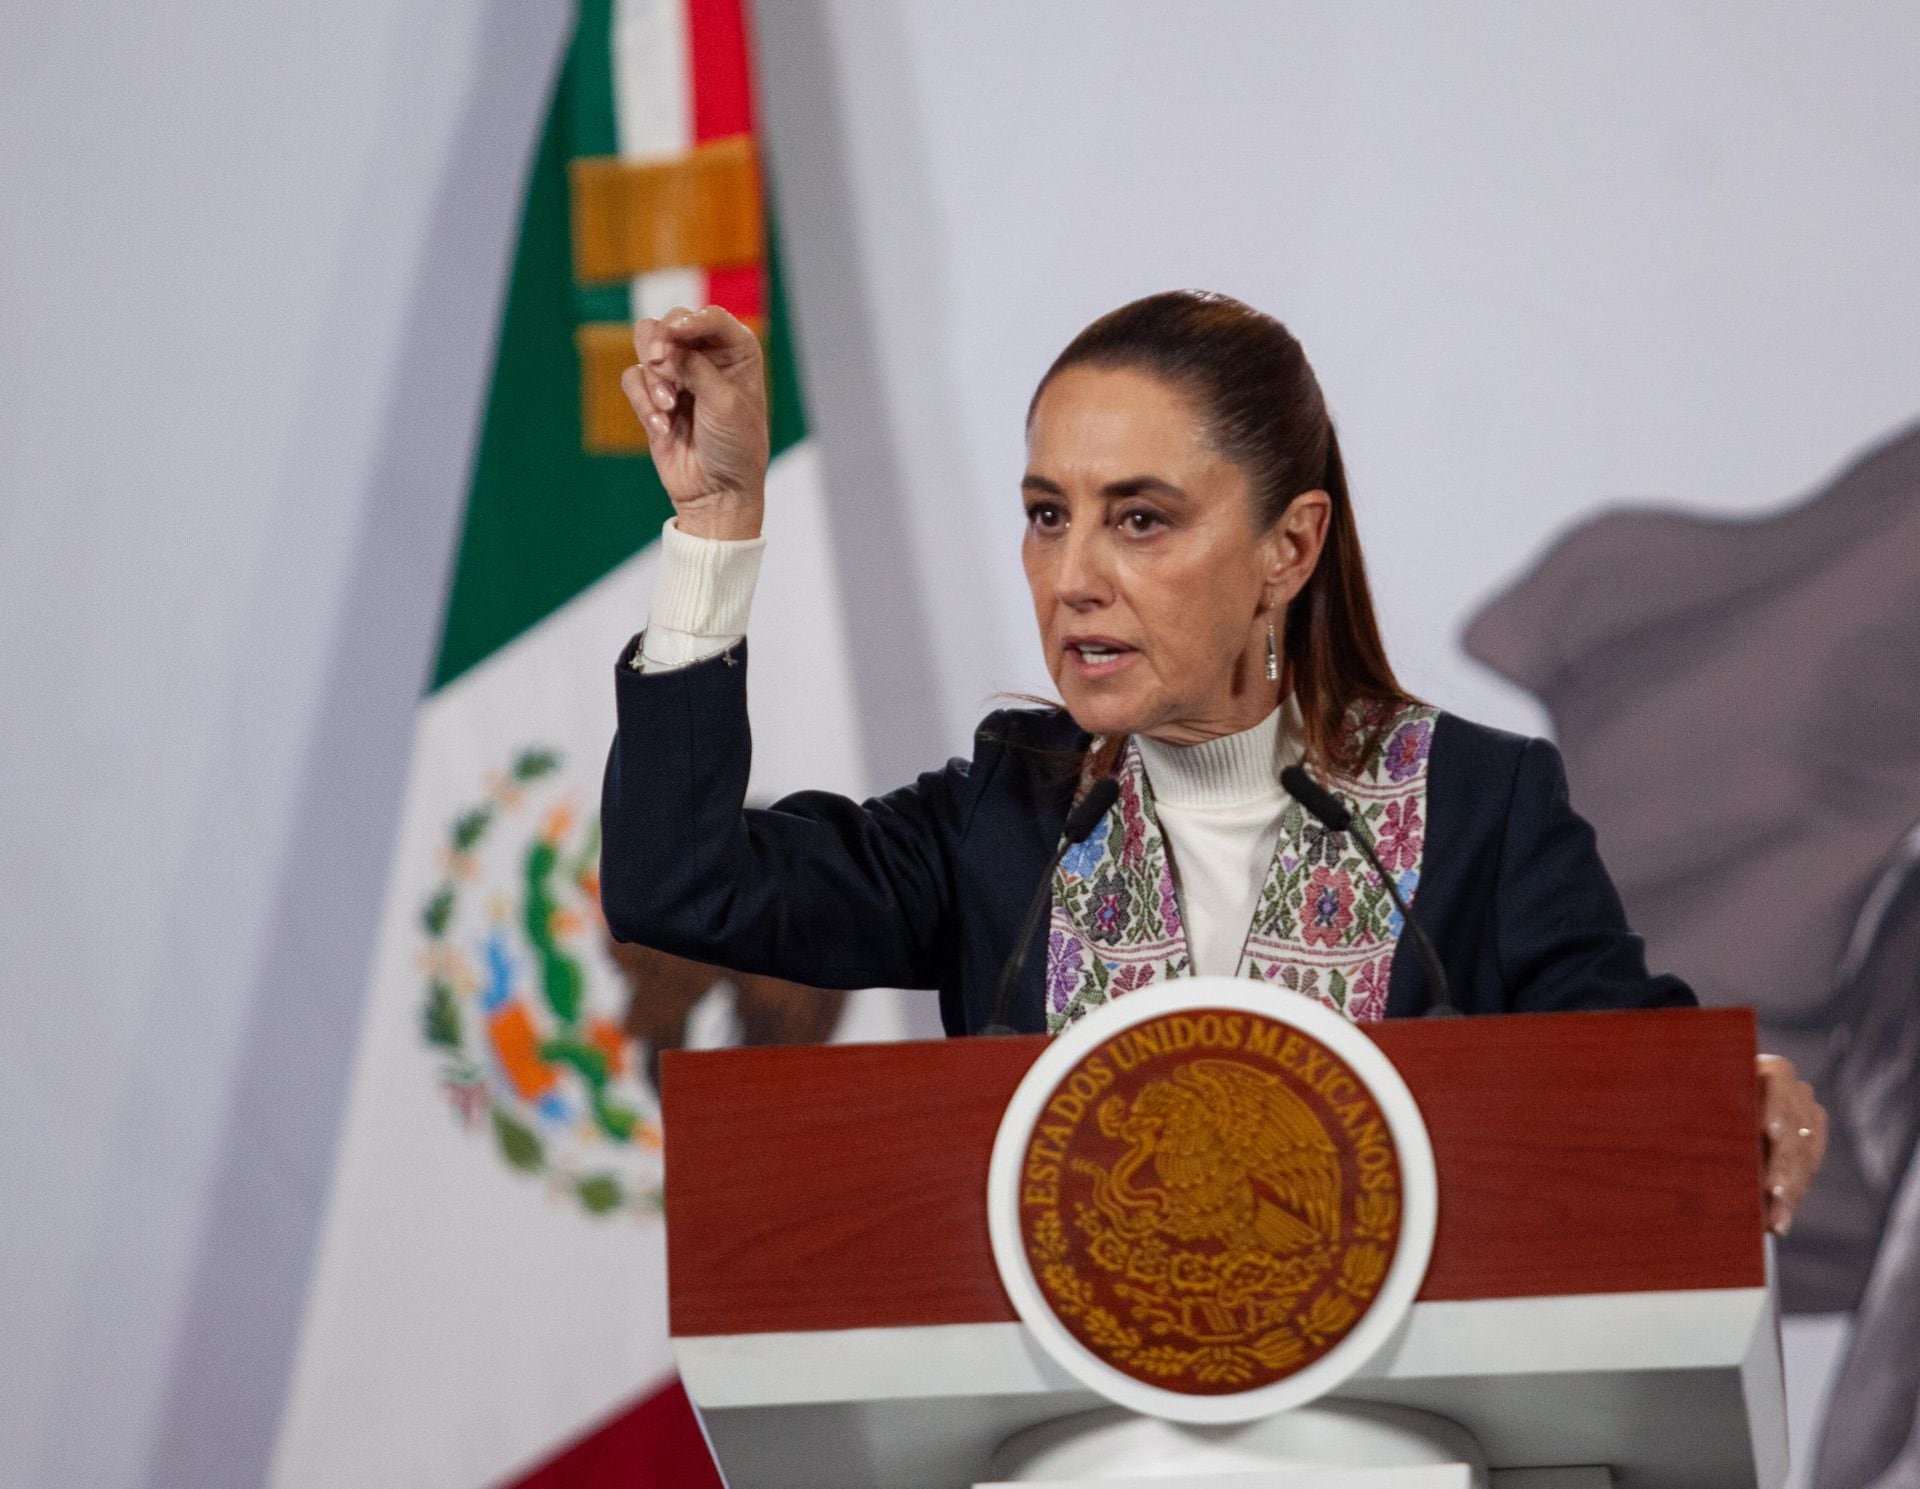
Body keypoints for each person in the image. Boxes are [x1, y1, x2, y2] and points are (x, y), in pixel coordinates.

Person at [598, 289, 1825, 1234]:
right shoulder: (1009, 819)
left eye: (1140, 518)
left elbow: (1640, 1095)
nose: (1074, 575)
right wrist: (715, 524)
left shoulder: (1477, 813)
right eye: (1046, 514)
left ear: (1288, 547)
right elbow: (681, 884)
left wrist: (1738, 1103)